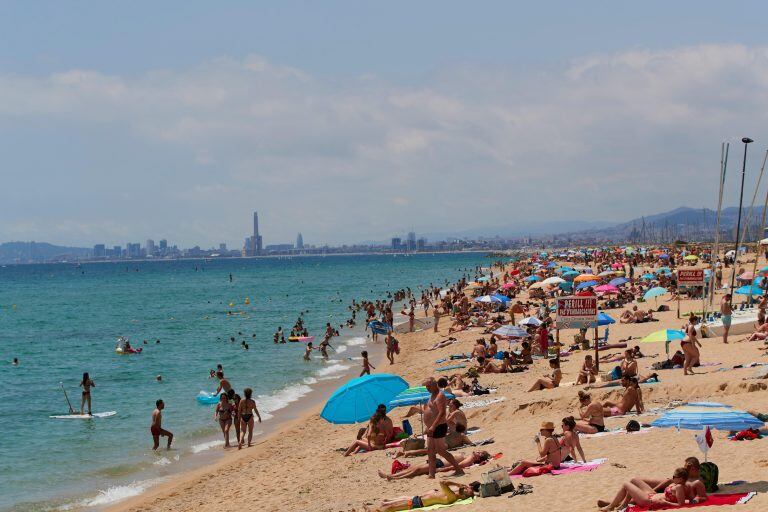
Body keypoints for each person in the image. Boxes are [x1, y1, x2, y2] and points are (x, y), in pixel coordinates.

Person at [598, 467, 698, 511]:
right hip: (652, 495)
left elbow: (680, 504)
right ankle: (622, 504)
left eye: (674, 476)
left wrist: (666, 503)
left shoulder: (680, 487)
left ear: (680, 479)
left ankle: (612, 506)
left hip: (649, 501)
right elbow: (691, 498)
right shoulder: (678, 484)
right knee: (633, 480)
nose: (673, 477)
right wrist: (694, 499)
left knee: (626, 484)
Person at [423, 377, 463, 478]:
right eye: (426, 386)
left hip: (438, 426)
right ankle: (431, 474)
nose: (427, 388)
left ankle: (458, 469)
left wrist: (433, 426)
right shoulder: (432, 395)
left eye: (429, 386)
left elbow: (442, 413)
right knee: (430, 450)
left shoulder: (440, 395)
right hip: (431, 427)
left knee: (441, 451)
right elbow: (430, 410)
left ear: (435, 384)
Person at [364, 481, 479, 512]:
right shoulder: (454, 493)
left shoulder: (452, 497)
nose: (466, 488)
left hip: (417, 503)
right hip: (417, 500)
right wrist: (459, 486)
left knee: (391, 507)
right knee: (391, 506)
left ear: (464, 496)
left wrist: (457, 484)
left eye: (467, 490)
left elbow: (442, 482)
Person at [378, 451, 490, 480]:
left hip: (440, 464)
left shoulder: (469, 460)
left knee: (416, 471)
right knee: (413, 468)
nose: (478, 451)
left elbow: (457, 466)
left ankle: (393, 477)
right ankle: (389, 475)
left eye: (480, 453)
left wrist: (442, 470)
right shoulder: (468, 456)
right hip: (437, 460)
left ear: (479, 458)